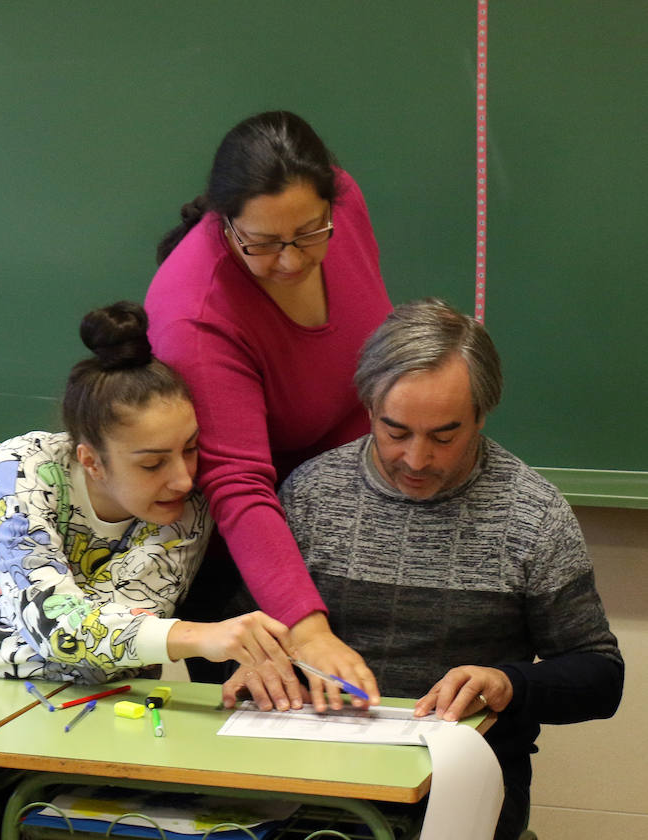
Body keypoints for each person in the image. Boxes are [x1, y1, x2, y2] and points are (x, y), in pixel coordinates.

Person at [227, 298, 623, 839]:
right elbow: (239, 627)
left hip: (457, 788)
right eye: (396, 432)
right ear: (368, 408)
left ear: (482, 415)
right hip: (310, 777)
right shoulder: (310, 494)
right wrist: (250, 663)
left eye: (444, 435)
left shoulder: (531, 512)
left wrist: (507, 682)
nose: (416, 459)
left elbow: (600, 678)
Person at [0, 302, 299, 690]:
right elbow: (67, 637)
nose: (182, 478)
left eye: (191, 449)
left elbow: (95, 662)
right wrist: (198, 638)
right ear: (91, 461)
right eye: (153, 463)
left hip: (74, 695)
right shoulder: (25, 467)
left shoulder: (189, 507)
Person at [145, 110, 392, 709]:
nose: (291, 260)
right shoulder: (197, 314)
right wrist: (307, 629)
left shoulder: (344, 203)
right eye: (262, 244)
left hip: (352, 508)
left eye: (310, 233)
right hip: (255, 553)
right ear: (224, 223)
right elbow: (238, 485)